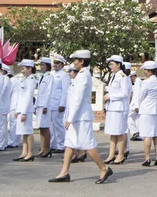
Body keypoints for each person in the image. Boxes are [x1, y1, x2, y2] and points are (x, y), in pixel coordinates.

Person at [48, 50, 113, 184]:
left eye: (75, 60)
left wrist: (70, 118)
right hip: (76, 115)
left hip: (81, 116)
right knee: (70, 144)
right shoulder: (80, 75)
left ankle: (104, 169)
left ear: (82, 61)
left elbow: (77, 99)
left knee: (87, 145)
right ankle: (64, 172)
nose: (74, 63)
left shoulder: (83, 75)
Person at [103, 54, 131, 164]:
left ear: (119, 64)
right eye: (110, 64)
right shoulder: (114, 76)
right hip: (112, 107)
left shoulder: (122, 76)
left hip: (119, 108)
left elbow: (125, 93)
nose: (111, 66)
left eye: (112, 64)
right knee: (112, 132)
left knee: (120, 132)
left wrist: (111, 96)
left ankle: (120, 155)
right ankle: (111, 155)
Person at [14, 59, 37, 162]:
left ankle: (30, 153)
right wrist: (17, 110)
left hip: (26, 110)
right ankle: (24, 152)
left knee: (28, 132)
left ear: (29, 68)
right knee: (23, 132)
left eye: (23, 68)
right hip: (21, 109)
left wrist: (23, 112)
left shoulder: (31, 79)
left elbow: (28, 97)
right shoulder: (25, 79)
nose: (21, 70)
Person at [50, 54, 70, 153]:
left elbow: (65, 91)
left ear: (62, 64)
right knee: (51, 126)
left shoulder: (64, 75)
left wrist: (62, 104)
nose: (55, 65)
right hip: (50, 103)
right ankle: (53, 144)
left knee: (58, 125)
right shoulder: (51, 74)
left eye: (57, 63)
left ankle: (61, 145)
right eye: (54, 62)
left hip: (58, 103)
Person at [35, 57, 54, 158]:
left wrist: (45, 105)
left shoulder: (49, 76)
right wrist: (36, 106)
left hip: (45, 106)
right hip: (40, 105)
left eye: (43, 65)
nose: (41, 67)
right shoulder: (42, 76)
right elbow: (39, 94)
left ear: (48, 66)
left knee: (45, 127)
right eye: (40, 65)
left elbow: (48, 92)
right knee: (41, 128)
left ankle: (47, 148)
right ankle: (42, 148)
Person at [7, 66, 21, 148]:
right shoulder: (16, 80)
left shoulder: (11, 81)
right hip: (16, 104)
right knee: (15, 124)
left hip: (14, 104)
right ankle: (15, 141)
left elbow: (8, 94)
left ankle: (12, 142)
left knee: (13, 124)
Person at [128, 70, 142, 141]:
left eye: (130, 77)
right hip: (136, 104)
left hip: (135, 104)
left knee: (127, 116)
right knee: (136, 119)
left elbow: (137, 95)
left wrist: (137, 105)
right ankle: (139, 134)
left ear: (134, 76)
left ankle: (134, 131)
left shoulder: (137, 82)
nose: (130, 79)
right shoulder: (138, 82)